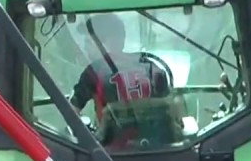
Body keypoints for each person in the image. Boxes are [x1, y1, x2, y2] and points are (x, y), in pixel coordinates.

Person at [69, 13, 182, 147]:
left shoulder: (94, 71)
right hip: (159, 148)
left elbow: (71, 113)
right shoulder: (151, 66)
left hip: (111, 154)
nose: (86, 47)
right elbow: (173, 112)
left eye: (89, 42)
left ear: (111, 41)